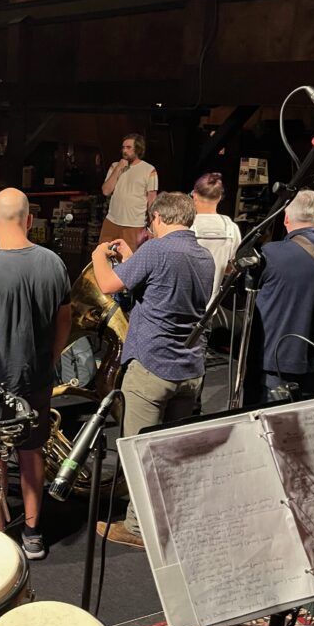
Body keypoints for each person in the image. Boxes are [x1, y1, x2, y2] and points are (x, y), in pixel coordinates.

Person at [90, 192, 214, 548]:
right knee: (169, 452)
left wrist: (100, 256)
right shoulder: (203, 256)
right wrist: (132, 259)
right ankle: (167, 520)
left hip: (152, 367)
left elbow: (108, 285)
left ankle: (137, 528)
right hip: (189, 370)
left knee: (138, 451)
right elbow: (160, 290)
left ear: (158, 217)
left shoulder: (158, 250)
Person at [0, 188, 71, 560]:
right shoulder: (54, 263)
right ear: (30, 221)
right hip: (36, 379)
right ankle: (33, 532)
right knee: (32, 452)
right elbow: (64, 319)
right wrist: (49, 359)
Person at [249, 189, 314, 402]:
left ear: (286, 217)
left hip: (275, 359)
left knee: (270, 426)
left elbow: (248, 300)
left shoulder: (270, 254)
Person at [190, 172, 241, 304]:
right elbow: (232, 269)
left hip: (180, 305)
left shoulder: (184, 225)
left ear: (194, 195)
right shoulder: (231, 228)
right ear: (219, 197)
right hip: (209, 308)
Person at [99, 133, 158, 247]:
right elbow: (106, 191)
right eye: (123, 147)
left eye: (128, 147)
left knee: (129, 259)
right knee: (103, 255)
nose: (124, 150)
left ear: (138, 149)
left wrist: (152, 226)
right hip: (112, 221)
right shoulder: (115, 166)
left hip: (134, 224)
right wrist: (118, 168)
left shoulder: (149, 170)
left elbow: (152, 199)